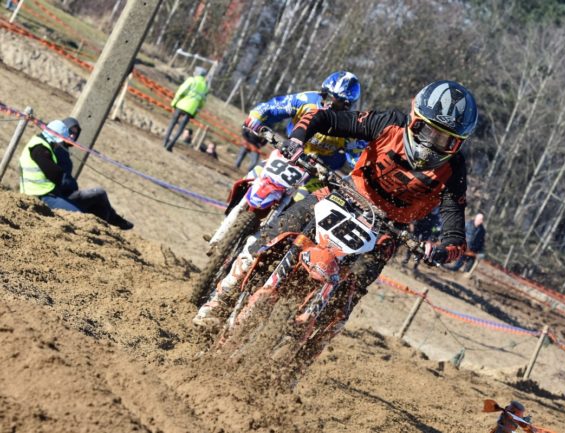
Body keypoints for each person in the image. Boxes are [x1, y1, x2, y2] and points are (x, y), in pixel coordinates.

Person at [194, 80, 478, 328]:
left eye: (445, 140)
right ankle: (218, 301)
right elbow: (326, 118)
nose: (431, 144)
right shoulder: (388, 123)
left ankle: (300, 357)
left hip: (388, 230)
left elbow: (456, 236)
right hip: (346, 195)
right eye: (427, 131)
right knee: (270, 236)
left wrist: (439, 251)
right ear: (414, 118)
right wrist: (297, 139)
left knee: (345, 302)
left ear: (458, 144)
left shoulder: (454, 170)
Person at [235, 71, 363, 173]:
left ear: (346, 106)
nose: (328, 103)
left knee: (303, 197)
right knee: (255, 176)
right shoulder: (306, 100)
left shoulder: (350, 125)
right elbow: (272, 107)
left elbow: (357, 158)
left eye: (336, 101)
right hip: (289, 151)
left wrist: (358, 171)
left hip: (319, 168)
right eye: (326, 95)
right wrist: (255, 117)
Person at [18, 118, 133, 230]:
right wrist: (67, 184)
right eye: (70, 132)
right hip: (43, 194)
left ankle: (110, 225)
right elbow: (56, 174)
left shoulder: (48, 145)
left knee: (99, 207)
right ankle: (109, 224)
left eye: (75, 133)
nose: (72, 136)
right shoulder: (42, 148)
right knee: (82, 216)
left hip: (52, 192)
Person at [163, 66, 209, 152]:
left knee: (172, 123)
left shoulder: (191, 80)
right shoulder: (205, 86)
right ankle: (171, 144)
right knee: (181, 128)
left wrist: (174, 103)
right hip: (191, 109)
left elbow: (181, 91)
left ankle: (165, 141)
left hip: (182, 104)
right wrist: (196, 110)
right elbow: (202, 101)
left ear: (197, 73)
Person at [401, 209, 441, 273]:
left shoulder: (437, 212)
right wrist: (413, 223)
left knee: (422, 248)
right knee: (412, 244)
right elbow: (418, 212)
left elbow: (437, 225)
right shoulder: (428, 207)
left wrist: (435, 234)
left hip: (428, 230)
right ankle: (404, 263)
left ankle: (415, 267)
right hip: (419, 225)